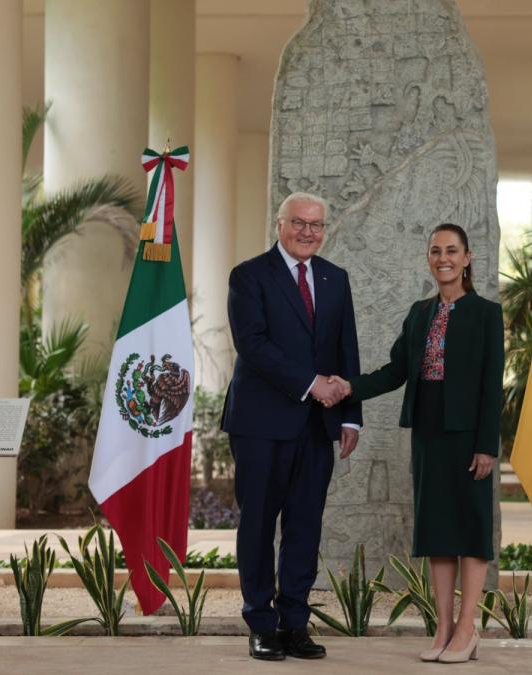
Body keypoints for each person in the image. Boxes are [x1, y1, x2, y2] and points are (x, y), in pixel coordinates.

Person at [332, 223, 503, 664]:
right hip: (427, 433)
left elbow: (491, 385)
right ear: (428, 258)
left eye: (451, 250)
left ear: (467, 258)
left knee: (471, 528)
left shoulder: (486, 313)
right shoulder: (418, 312)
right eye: (435, 251)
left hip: (468, 437)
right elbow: (394, 372)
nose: (442, 258)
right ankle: (443, 628)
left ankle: (468, 628)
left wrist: (487, 445)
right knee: (438, 532)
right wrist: (347, 387)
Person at [221, 192, 361, 661]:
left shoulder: (335, 278)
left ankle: (295, 624)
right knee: (258, 526)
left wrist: (350, 415)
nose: (308, 232)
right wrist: (310, 384)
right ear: (280, 224)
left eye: (317, 225)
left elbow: (346, 348)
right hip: (260, 424)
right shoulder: (249, 275)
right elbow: (253, 345)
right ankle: (261, 624)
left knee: (305, 528)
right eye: (299, 223)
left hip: (317, 426)